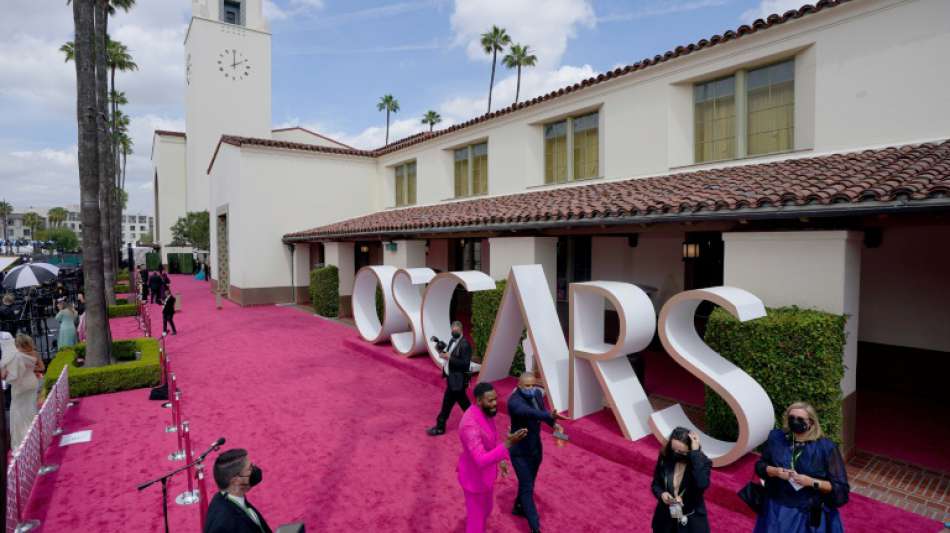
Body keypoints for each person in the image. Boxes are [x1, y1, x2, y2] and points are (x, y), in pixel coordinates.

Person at [754, 402, 849, 533]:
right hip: (776, 508)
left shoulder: (825, 448)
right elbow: (760, 466)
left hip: (807, 511)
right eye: (791, 418)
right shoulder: (776, 438)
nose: (794, 422)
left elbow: (840, 487)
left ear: (811, 422)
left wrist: (811, 482)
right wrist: (774, 471)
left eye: (800, 419)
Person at [458, 382, 528, 533]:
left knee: (487, 510)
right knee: (476, 523)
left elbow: (490, 441)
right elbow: (481, 460)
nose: (495, 403)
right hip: (474, 480)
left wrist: (501, 459)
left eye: (496, 399)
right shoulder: (469, 426)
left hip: (487, 477)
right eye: (490, 400)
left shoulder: (485, 412)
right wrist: (508, 443)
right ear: (478, 400)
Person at [507, 372, 567, 533]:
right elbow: (530, 413)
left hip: (536, 449)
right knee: (527, 488)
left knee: (529, 483)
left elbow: (543, 412)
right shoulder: (514, 402)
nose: (531, 388)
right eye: (527, 386)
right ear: (519, 386)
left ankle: (518, 507)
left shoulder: (538, 394)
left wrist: (555, 426)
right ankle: (535, 527)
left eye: (533, 385)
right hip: (519, 452)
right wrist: (547, 415)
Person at [650, 427, 712, 533]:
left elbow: (702, 484)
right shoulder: (665, 456)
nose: (676, 454)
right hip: (666, 518)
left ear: (690, 449)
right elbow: (656, 484)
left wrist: (695, 453)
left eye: (682, 452)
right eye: (674, 449)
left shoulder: (701, 462)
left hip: (690, 519)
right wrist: (661, 494)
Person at [204, 448, 272, 533]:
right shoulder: (224, 524)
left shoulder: (226, 498)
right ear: (236, 481)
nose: (255, 470)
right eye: (250, 468)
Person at [427, 320, 473, 436]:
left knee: (448, 404)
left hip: (457, 380)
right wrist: (442, 353)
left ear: (461, 330)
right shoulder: (452, 340)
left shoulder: (465, 345)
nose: (454, 333)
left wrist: (450, 357)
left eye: (456, 331)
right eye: (452, 331)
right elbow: (448, 354)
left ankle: (440, 427)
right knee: (462, 404)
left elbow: (465, 364)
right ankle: (477, 421)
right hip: (452, 378)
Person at [0, 334, 43, 450]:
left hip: (19, 387)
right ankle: (34, 438)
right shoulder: (34, 353)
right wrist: (30, 368)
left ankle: (23, 442)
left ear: (17, 345)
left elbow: (4, 376)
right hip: (32, 383)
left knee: (18, 414)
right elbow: (41, 368)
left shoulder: (13, 357)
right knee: (31, 410)